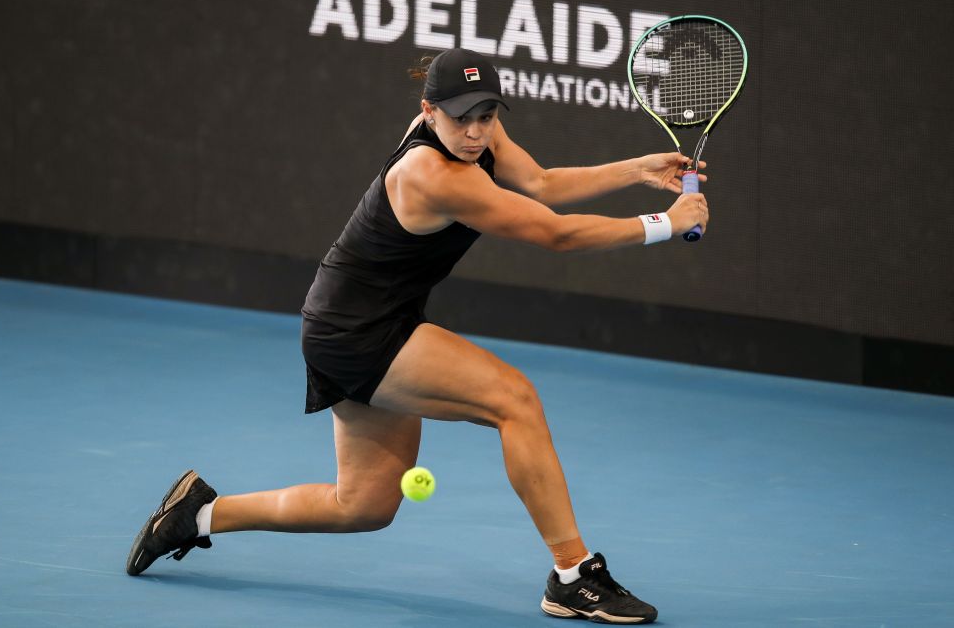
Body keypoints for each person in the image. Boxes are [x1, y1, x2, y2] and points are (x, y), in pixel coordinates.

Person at [126, 48, 709, 625]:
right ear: (428, 111)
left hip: (358, 318)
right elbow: (553, 234)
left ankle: (199, 515)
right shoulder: (433, 174)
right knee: (516, 401)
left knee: (363, 505)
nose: (477, 131)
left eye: (487, 115)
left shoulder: (474, 134)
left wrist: (637, 170)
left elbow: (541, 182)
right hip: (358, 330)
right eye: (462, 118)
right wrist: (663, 225)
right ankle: (573, 575)